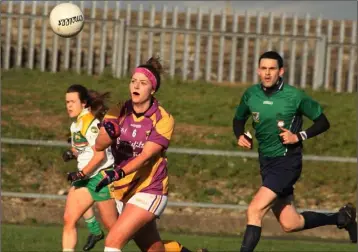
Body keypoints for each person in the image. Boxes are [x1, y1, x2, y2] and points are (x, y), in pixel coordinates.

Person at [233, 51, 357, 252]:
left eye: (272, 69)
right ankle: (342, 217)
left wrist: (298, 136)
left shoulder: (295, 96)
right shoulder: (250, 94)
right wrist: (240, 135)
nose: (267, 73)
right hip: (266, 162)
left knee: (254, 210)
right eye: (263, 68)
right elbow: (238, 119)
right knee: (291, 223)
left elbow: (323, 122)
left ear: (281, 71)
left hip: (287, 162)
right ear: (258, 70)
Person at [94, 57, 207, 252]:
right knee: (153, 249)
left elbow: (145, 156)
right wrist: (109, 133)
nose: (136, 85)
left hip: (150, 190)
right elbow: (99, 145)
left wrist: (117, 172)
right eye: (133, 81)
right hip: (123, 190)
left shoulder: (163, 119)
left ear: (152, 89)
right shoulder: (118, 110)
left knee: (113, 242)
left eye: (143, 83)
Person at [62, 85, 119, 252]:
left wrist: (80, 173)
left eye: (73, 102)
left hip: (100, 179)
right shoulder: (76, 125)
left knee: (116, 232)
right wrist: (72, 153)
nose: (69, 106)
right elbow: (83, 148)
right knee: (69, 220)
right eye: (67, 102)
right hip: (85, 179)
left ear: (84, 103)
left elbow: (99, 156)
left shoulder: (90, 123)